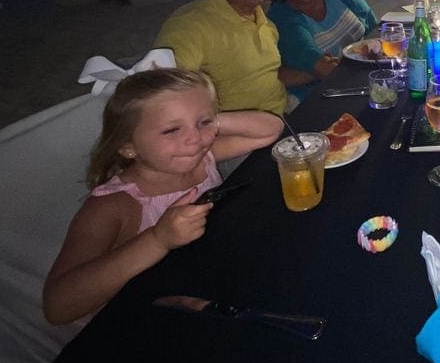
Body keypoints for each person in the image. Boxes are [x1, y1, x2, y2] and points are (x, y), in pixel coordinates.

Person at [42, 68, 282, 325]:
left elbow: (270, 129)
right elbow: (57, 308)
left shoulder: (201, 158)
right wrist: (158, 240)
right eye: (171, 130)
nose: (193, 139)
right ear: (128, 146)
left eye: (203, 123)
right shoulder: (113, 206)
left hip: (207, 281)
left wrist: (207, 120)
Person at [154, 0, 291, 117]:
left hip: (285, 114)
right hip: (240, 136)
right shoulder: (192, 23)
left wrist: (315, 72)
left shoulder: (266, 23)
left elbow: (269, 75)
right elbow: (162, 98)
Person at [268, 0, 378, 101]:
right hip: (323, 93)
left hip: (365, 72)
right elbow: (316, 62)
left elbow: (371, 20)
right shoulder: (283, 16)